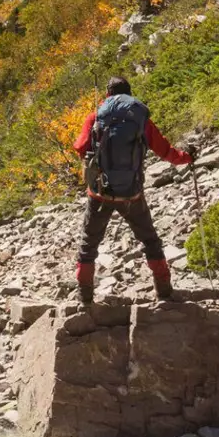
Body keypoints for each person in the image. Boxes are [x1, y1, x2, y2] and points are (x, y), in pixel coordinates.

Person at [72, 76, 194, 304]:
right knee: (150, 241)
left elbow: (80, 147)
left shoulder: (95, 117)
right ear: (129, 94)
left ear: (108, 94)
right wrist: (187, 157)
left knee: (89, 243)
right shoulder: (140, 120)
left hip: (100, 193)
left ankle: (84, 298)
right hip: (132, 193)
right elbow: (166, 152)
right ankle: (164, 291)